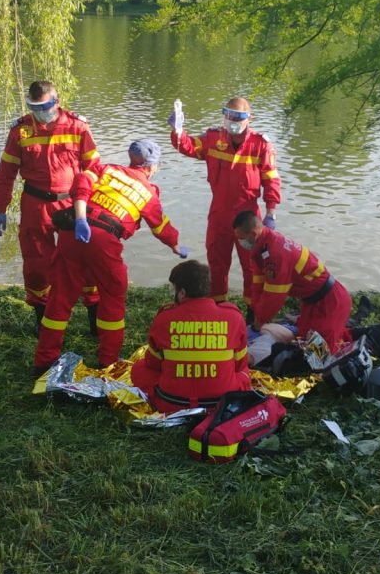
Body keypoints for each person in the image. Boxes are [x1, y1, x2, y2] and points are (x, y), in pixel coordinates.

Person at [33, 140, 187, 373]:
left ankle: (44, 360)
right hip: (104, 240)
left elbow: (81, 181)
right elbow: (160, 226)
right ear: (152, 166)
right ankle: (108, 361)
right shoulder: (148, 192)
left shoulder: (108, 169)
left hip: (72, 230)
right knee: (113, 296)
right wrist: (175, 244)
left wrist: (82, 216)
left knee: (60, 297)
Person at [0, 80, 102, 333]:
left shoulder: (78, 127)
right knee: (36, 265)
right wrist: (0, 207)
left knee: (85, 261)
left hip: (73, 203)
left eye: (46, 105)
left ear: (57, 101)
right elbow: (6, 173)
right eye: (34, 106)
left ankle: (94, 318)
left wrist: (92, 207)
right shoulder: (20, 131)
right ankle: (42, 319)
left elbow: (94, 170)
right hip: (35, 204)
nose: (41, 111)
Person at [168, 96, 281, 308]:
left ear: (249, 118)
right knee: (217, 264)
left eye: (237, 117)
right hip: (219, 213)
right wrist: (178, 130)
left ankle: (252, 309)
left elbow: (271, 179)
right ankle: (217, 308)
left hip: (248, 216)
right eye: (228, 115)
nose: (232, 121)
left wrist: (271, 212)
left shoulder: (260, 145)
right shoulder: (214, 139)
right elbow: (188, 146)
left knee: (252, 266)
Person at [131, 260, 251, 413]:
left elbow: (152, 364)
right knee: (244, 373)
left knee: (139, 369)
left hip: (171, 403)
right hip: (222, 404)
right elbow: (240, 364)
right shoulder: (233, 316)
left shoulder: (164, 318)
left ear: (182, 293)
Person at [233, 211, 352, 352]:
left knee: (318, 356)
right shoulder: (262, 248)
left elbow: (273, 299)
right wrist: (256, 316)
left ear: (253, 234)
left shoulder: (275, 255)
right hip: (312, 303)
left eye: (241, 238)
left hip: (330, 303)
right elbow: (259, 286)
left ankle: (365, 336)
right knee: (304, 340)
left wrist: (258, 325)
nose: (240, 243)